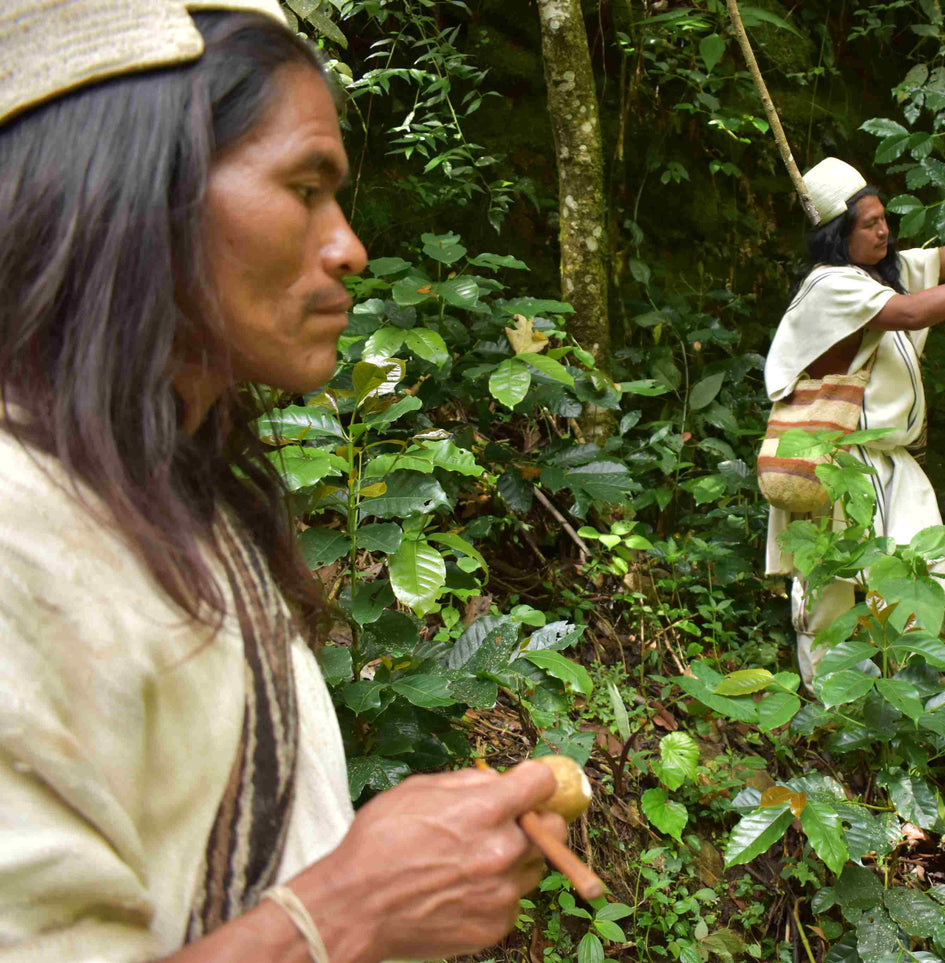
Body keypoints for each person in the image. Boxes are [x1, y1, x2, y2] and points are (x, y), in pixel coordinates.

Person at [0, 3, 567, 961]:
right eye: (305, 187)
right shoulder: (19, 532)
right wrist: (347, 908)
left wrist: (412, 863)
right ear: (136, 188)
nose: (347, 247)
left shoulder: (169, 497)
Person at [764, 157, 945, 687]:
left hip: (890, 459)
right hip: (840, 457)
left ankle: (902, 687)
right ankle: (831, 698)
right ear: (839, 235)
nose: (885, 231)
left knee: (918, 571)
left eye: (884, 219)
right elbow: (914, 312)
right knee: (830, 580)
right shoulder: (832, 284)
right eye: (870, 224)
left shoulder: (877, 272)